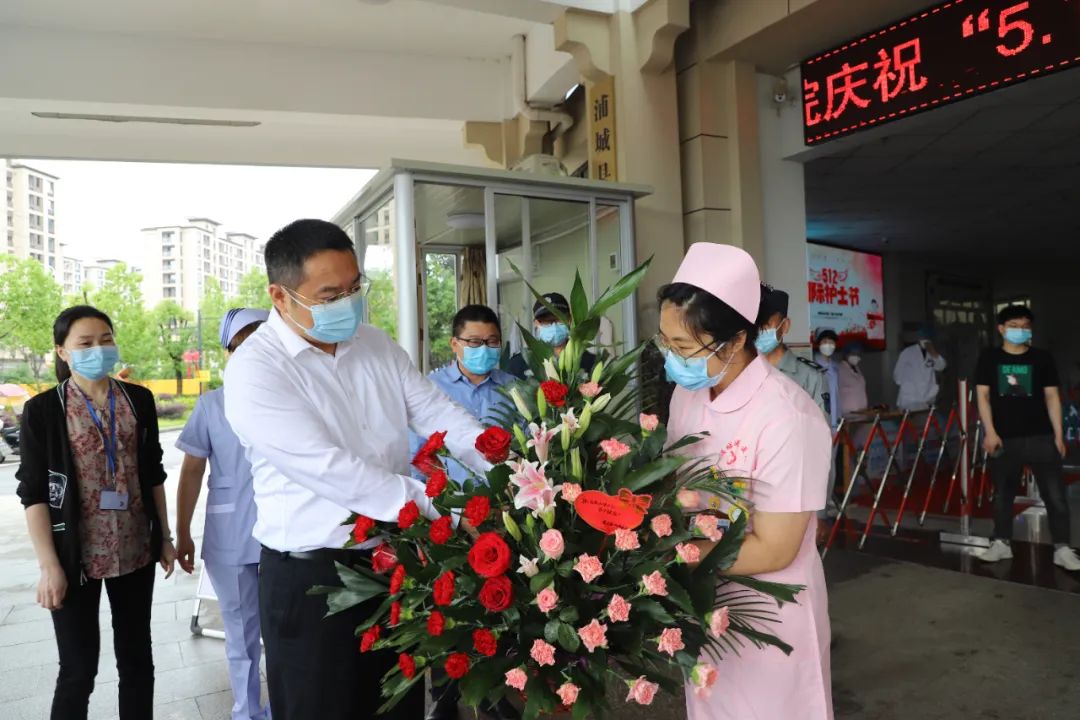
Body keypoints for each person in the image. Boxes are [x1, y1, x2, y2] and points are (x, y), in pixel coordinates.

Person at [223, 219, 492, 720]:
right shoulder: (255, 370)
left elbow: (436, 413)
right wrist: (444, 511)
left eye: (354, 288)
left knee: (397, 705)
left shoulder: (374, 344)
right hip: (312, 580)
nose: (347, 304)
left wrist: (511, 467)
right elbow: (332, 470)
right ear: (280, 296)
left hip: (392, 562)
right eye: (330, 296)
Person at [659, 243, 832, 720]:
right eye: (665, 343)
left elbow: (776, 548)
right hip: (704, 603)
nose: (672, 358)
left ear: (736, 341)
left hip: (769, 614)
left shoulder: (788, 417)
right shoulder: (687, 395)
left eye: (684, 348)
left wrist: (670, 556)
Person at [16, 305, 175, 720]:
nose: (98, 349)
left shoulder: (137, 400)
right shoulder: (43, 410)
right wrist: (50, 566)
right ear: (62, 351)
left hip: (134, 549)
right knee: (78, 670)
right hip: (75, 557)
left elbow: (153, 473)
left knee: (137, 660)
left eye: (106, 340)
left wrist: (165, 537)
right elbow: (34, 494)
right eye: (85, 343)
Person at [414, 304, 518, 720]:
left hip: (499, 517)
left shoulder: (514, 389)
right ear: (454, 344)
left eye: (492, 342)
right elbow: (416, 459)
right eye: (474, 342)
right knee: (448, 609)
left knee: (499, 605)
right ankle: (444, 699)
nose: (484, 350)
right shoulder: (430, 390)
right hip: (447, 517)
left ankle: (497, 697)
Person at [175, 308, 271, 720]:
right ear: (229, 352)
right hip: (230, 536)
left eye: (258, 339)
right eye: (239, 344)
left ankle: (288, 707)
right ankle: (247, 712)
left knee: (288, 631)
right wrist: (182, 532)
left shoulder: (294, 397)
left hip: (286, 532)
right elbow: (191, 471)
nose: (249, 350)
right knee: (240, 630)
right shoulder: (212, 404)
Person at [973, 305, 1080, 570]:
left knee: (1055, 495)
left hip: (1041, 436)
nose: (1019, 331)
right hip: (1004, 437)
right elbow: (983, 396)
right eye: (1013, 326)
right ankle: (1001, 543)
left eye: (1025, 327)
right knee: (1003, 495)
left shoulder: (1042, 358)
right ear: (1001, 329)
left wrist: (1058, 435)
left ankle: (1062, 548)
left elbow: (1052, 397)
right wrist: (990, 432)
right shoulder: (989, 358)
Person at [755, 285, 828, 416]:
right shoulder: (745, 372)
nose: (759, 332)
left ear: (785, 326)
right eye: (755, 326)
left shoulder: (810, 376)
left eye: (765, 325)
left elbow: (822, 426)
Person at [508, 292, 596, 379]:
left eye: (559, 319)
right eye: (546, 321)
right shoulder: (519, 363)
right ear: (536, 323)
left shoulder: (591, 362)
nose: (554, 326)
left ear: (569, 320)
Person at [893, 325, 946, 411]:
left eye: (927, 338)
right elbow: (897, 377)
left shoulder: (932, 354)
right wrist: (909, 385)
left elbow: (941, 366)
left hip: (927, 399)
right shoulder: (908, 352)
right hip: (909, 400)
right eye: (923, 337)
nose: (925, 340)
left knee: (925, 419)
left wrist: (933, 352)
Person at [814, 328, 841, 430]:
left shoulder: (835, 367)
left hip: (835, 418)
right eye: (825, 342)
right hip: (818, 419)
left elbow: (837, 395)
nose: (828, 345)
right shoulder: (812, 366)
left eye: (831, 342)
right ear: (818, 344)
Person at [836, 341, 870, 417]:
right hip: (847, 413)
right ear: (846, 354)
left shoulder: (856, 368)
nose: (858, 357)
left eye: (859, 354)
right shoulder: (839, 369)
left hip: (862, 412)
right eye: (855, 354)